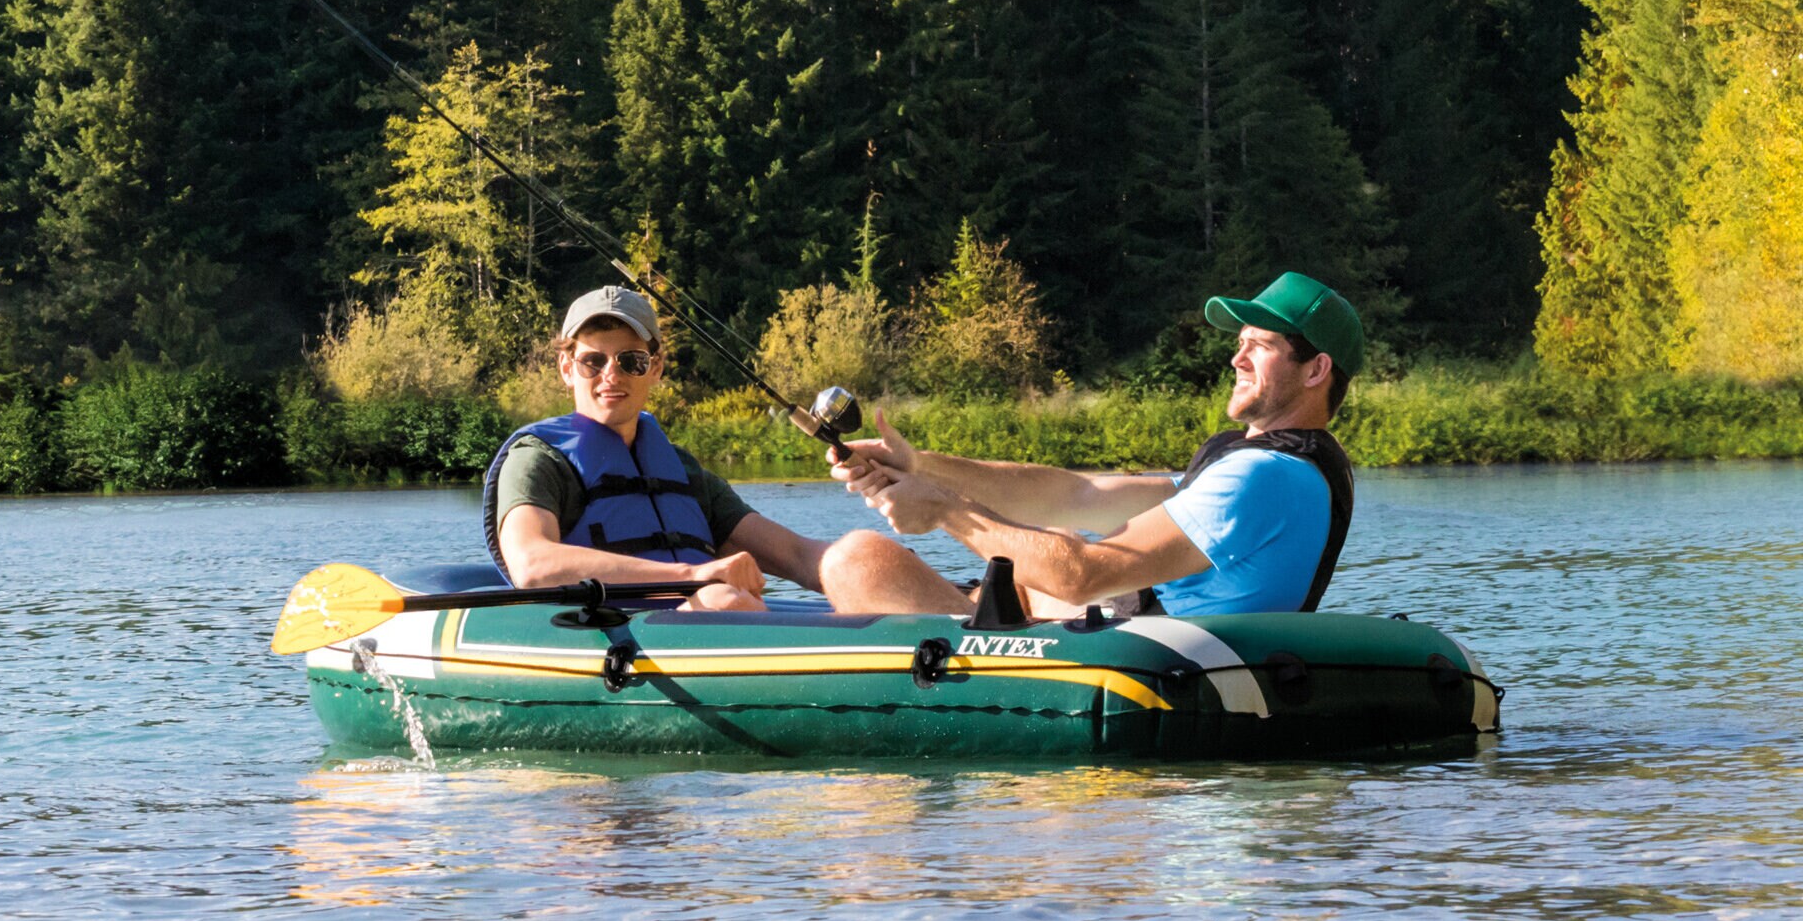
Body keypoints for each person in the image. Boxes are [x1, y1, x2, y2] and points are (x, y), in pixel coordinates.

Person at [817, 271, 1365, 620]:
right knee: (1051, 532)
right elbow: (1077, 492)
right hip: (1126, 641)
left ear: (1317, 369)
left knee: (857, 562)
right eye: (1240, 344)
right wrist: (919, 466)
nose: (1235, 360)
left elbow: (1082, 576)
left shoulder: (1263, 477)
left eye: (1260, 347)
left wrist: (942, 509)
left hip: (1142, 671)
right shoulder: (1266, 468)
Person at [485, 285, 839, 612]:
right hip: (602, 638)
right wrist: (691, 576)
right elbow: (531, 565)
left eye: (631, 361)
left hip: (694, 620)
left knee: (861, 554)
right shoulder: (538, 460)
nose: (611, 375)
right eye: (593, 361)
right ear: (567, 367)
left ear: (655, 368)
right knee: (725, 600)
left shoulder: (683, 471)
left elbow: (795, 555)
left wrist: (854, 563)